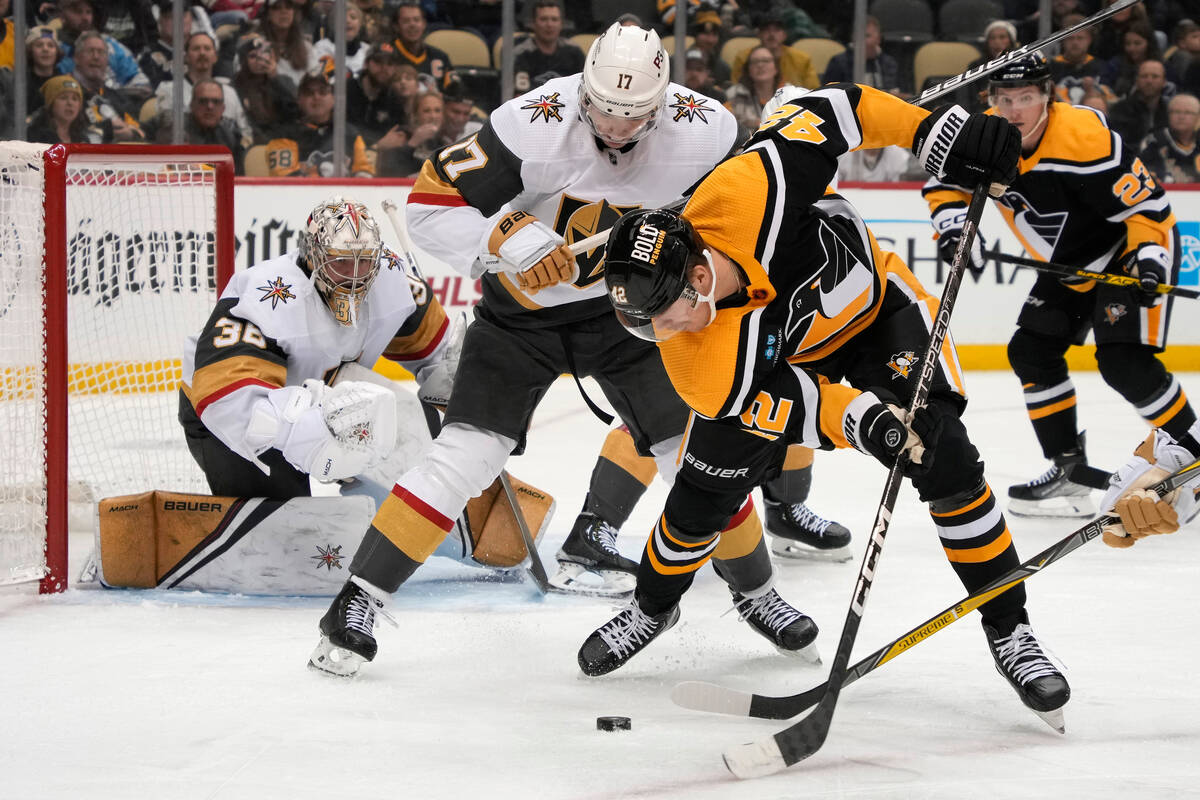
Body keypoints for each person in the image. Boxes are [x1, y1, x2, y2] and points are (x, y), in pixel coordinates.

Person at [308, 23, 818, 678]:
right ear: (582, 90)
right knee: (463, 457)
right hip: (519, 322)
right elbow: (429, 208)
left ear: (663, 102)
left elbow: (755, 219)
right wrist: (503, 237)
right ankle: (356, 602)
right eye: (603, 108)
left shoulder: (707, 129)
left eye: (633, 115)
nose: (614, 127)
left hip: (631, 321)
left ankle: (756, 593)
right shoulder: (531, 123)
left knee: (700, 461)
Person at [589, 83, 1073, 730]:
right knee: (703, 493)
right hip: (786, 367)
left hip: (879, 318)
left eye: (661, 314)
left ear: (697, 277)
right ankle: (653, 606)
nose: (662, 333)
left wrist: (942, 136)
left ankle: (1010, 630)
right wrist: (864, 420)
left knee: (948, 460)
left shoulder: (752, 187)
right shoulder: (699, 361)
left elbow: (838, 109)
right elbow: (797, 405)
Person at [924, 54, 1200, 520]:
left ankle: (1192, 458)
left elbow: (1146, 204)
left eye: (1026, 98)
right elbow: (943, 186)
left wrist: (1151, 259)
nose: (1014, 111)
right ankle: (1068, 471)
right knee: (1031, 352)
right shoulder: (980, 137)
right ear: (991, 99)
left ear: (1047, 96)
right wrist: (954, 230)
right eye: (1005, 99)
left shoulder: (1083, 135)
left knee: (1123, 361)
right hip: (1066, 263)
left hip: (1127, 248)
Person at [180, 195, 455, 503]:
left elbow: (439, 354)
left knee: (414, 439)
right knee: (286, 525)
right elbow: (226, 396)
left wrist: (468, 398)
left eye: (364, 261)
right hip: (232, 418)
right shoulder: (267, 297)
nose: (354, 276)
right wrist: (303, 435)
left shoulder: (393, 280)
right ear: (313, 255)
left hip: (329, 398)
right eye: (341, 262)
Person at [266, 70, 375, 177]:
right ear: (299, 100)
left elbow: (365, 171)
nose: (316, 97)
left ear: (334, 98)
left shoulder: (350, 133)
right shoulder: (284, 135)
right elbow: (285, 180)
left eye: (323, 92)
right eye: (309, 93)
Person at [155, 31, 254, 147]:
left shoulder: (230, 93)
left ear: (215, 57)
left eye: (207, 49)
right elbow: (165, 131)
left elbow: (245, 134)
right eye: (196, 49)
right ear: (186, 57)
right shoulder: (169, 89)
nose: (202, 53)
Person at [157, 78, 246, 173]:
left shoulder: (230, 135)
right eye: (203, 101)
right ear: (191, 105)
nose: (210, 107)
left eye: (216, 102)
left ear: (223, 109)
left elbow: (238, 177)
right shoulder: (174, 128)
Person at [1106, 59, 1172, 178]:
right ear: (1137, 80)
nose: (1149, 81)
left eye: (1155, 76)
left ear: (1164, 81)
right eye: (1144, 76)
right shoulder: (1120, 110)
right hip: (1129, 169)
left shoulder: (1170, 110)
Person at [232, 34, 300, 143]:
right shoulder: (234, 86)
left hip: (283, 142)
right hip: (251, 142)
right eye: (253, 56)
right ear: (243, 60)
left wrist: (275, 79)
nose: (260, 61)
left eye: (264, 54)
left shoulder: (283, 81)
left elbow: (297, 111)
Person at [729, 9, 818, 90]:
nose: (771, 34)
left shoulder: (801, 59)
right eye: (766, 30)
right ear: (758, 34)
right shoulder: (744, 58)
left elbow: (814, 91)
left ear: (785, 35)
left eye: (777, 29)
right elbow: (736, 90)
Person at [512, 0, 585, 96]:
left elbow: (583, 91)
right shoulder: (520, 53)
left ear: (561, 24)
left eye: (554, 19)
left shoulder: (574, 52)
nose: (549, 25)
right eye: (543, 19)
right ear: (533, 23)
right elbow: (518, 97)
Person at [822, 15, 906, 95]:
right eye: (858, 36)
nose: (862, 41)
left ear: (879, 39)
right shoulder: (838, 63)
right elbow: (827, 95)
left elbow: (903, 94)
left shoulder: (889, 63)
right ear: (853, 38)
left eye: (867, 36)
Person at [1048, 14, 1116, 107]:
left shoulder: (1102, 67)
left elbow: (1112, 100)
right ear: (1063, 40)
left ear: (1089, 40)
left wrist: (1093, 90)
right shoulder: (1050, 67)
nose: (1075, 42)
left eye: (1080, 38)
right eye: (1070, 38)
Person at [390, 0, 453, 91]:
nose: (412, 25)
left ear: (424, 24)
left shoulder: (439, 57)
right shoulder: (387, 56)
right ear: (396, 26)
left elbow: (456, 93)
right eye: (406, 21)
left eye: (416, 20)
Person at [724, 45, 783, 142]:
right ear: (748, 70)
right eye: (755, 62)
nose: (760, 65)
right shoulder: (732, 95)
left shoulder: (790, 95)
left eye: (766, 61)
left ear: (776, 68)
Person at [1139, 92, 1200, 183]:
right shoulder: (1153, 141)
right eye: (1176, 112)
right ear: (1168, 115)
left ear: (1198, 117)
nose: (1181, 117)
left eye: (1188, 112)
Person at [26, 75, 99, 144]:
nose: (70, 103)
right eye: (63, 98)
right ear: (50, 103)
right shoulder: (35, 137)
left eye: (75, 99)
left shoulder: (83, 139)